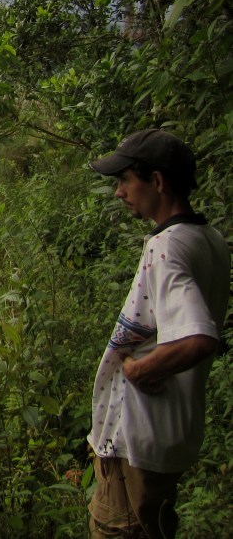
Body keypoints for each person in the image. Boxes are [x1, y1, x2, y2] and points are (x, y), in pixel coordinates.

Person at [86, 128, 230, 538]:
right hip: (170, 432)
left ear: (158, 182)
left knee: (119, 528)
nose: (119, 193)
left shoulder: (165, 247)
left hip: (140, 437)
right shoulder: (209, 239)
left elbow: (200, 337)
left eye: (124, 180)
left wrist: (140, 370)